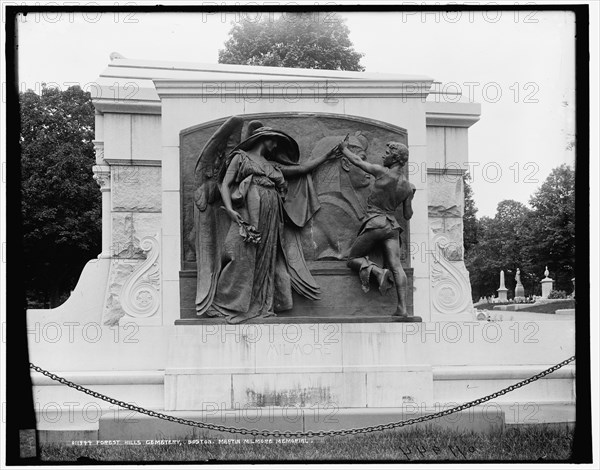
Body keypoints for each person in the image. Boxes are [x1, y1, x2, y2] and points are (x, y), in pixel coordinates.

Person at [211, 126, 335, 323]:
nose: (276, 145)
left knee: (267, 255)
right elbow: (225, 184)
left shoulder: (272, 165)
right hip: (250, 209)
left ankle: (260, 304)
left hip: (272, 211)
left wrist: (327, 156)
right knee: (246, 253)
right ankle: (231, 301)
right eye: (274, 140)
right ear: (264, 138)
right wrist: (230, 210)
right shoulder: (241, 157)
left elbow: (302, 169)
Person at [337, 137, 419, 321]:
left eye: (388, 154)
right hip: (392, 228)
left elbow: (357, 161)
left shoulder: (381, 172)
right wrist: (411, 196)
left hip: (376, 222)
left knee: (352, 259)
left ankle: (378, 272)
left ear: (396, 159)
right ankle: (402, 309)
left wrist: (344, 149)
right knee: (397, 267)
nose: (384, 156)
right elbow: (407, 215)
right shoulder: (407, 186)